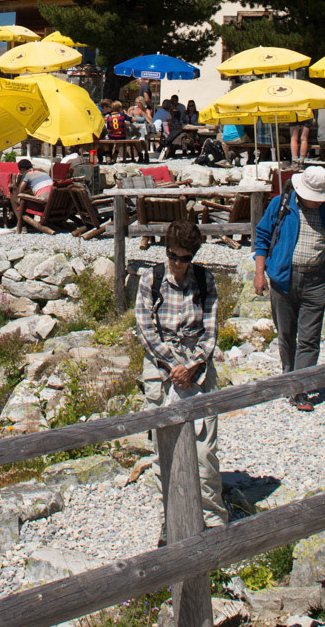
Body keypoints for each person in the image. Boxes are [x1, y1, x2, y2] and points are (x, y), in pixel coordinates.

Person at [133, 219, 227, 533]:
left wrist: (193, 366)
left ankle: (213, 521)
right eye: (172, 256)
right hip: (162, 368)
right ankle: (172, 522)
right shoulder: (150, 279)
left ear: (193, 256)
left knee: (204, 451)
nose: (177, 263)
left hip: (197, 366)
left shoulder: (204, 280)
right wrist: (175, 366)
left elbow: (211, 330)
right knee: (165, 451)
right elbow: (146, 331)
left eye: (184, 258)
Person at [252, 167, 325, 411]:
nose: (317, 202)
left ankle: (300, 389)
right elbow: (262, 236)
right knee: (286, 334)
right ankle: (289, 377)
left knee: (309, 338)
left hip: (317, 280)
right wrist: (259, 274)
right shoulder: (280, 204)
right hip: (283, 278)